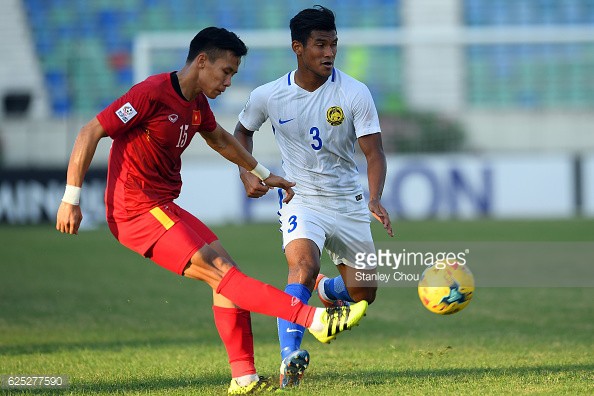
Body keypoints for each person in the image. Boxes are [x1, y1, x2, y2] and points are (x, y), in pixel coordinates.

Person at [55, 27, 368, 395]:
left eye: (233, 74)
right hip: (136, 211)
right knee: (221, 273)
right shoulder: (150, 94)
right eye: (226, 71)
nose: (228, 81)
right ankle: (311, 318)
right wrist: (71, 198)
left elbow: (219, 138)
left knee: (227, 276)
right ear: (202, 61)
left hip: (163, 206)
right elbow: (90, 131)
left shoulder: (196, 104)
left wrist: (264, 174)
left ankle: (244, 377)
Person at [234, 6, 393, 389]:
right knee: (301, 267)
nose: (329, 52)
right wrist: (248, 172)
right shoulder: (269, 95)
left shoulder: (354, 92)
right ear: (298, 48)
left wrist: (375, 198)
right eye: (320, 44)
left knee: (363, 294)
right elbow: (241, 133)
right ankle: (290, 356)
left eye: (333, 44)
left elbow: (374, 153)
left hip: (349, 201)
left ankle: (327, 289)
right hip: (300, 197)